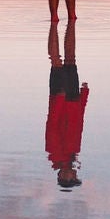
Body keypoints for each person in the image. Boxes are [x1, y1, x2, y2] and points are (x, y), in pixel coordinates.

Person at [46, 17, 88, 189]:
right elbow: (80, 123)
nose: (75, 175)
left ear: (62, 176)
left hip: (61, 99)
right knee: (71, 59)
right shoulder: (73, 153)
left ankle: (54, 26)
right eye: (75, 177)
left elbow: (52, 124)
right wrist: (84, 96)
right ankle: (62, 25)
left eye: (72, 178)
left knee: (56, 60)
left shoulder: (54, 153)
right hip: (74, 100)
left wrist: (60, 99)